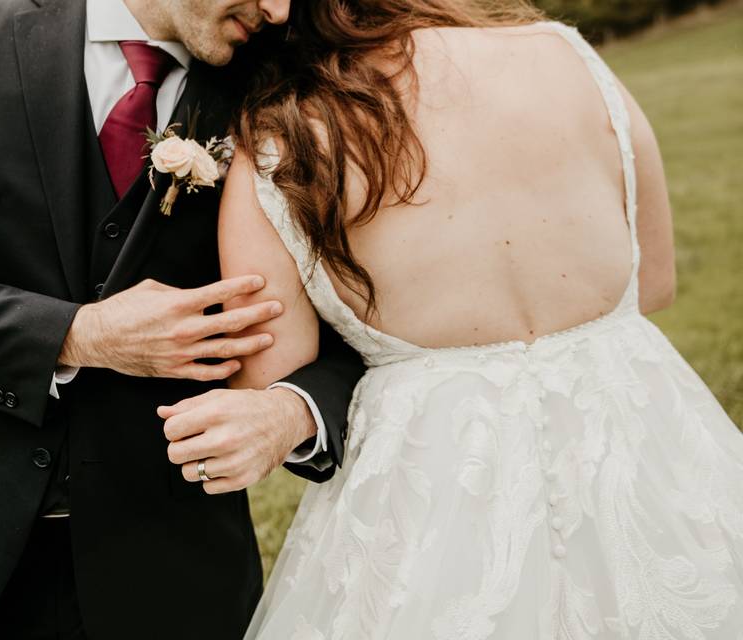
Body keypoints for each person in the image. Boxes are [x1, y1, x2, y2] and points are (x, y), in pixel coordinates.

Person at [0, 0, 365, 638]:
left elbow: (367, 330)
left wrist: (291, 412)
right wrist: (79, 336)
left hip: (176, 572)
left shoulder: (284, 86)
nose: (278, 9)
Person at [204, 0, 743, 637]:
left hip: (440, 486)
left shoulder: (282, 139)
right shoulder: (564, 52)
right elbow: (653, 279)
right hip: (644, 437)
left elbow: (273, 376)